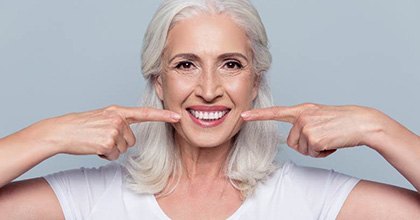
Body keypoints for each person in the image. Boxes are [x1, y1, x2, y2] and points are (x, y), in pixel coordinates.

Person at [0, 0, 419, 219]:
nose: (208, 89)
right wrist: (48, 135)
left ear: (255, 81)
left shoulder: (314, 198)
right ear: (158, 81)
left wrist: (376, 128)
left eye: (231, 65)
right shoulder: (90, 197)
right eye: (185, 65)